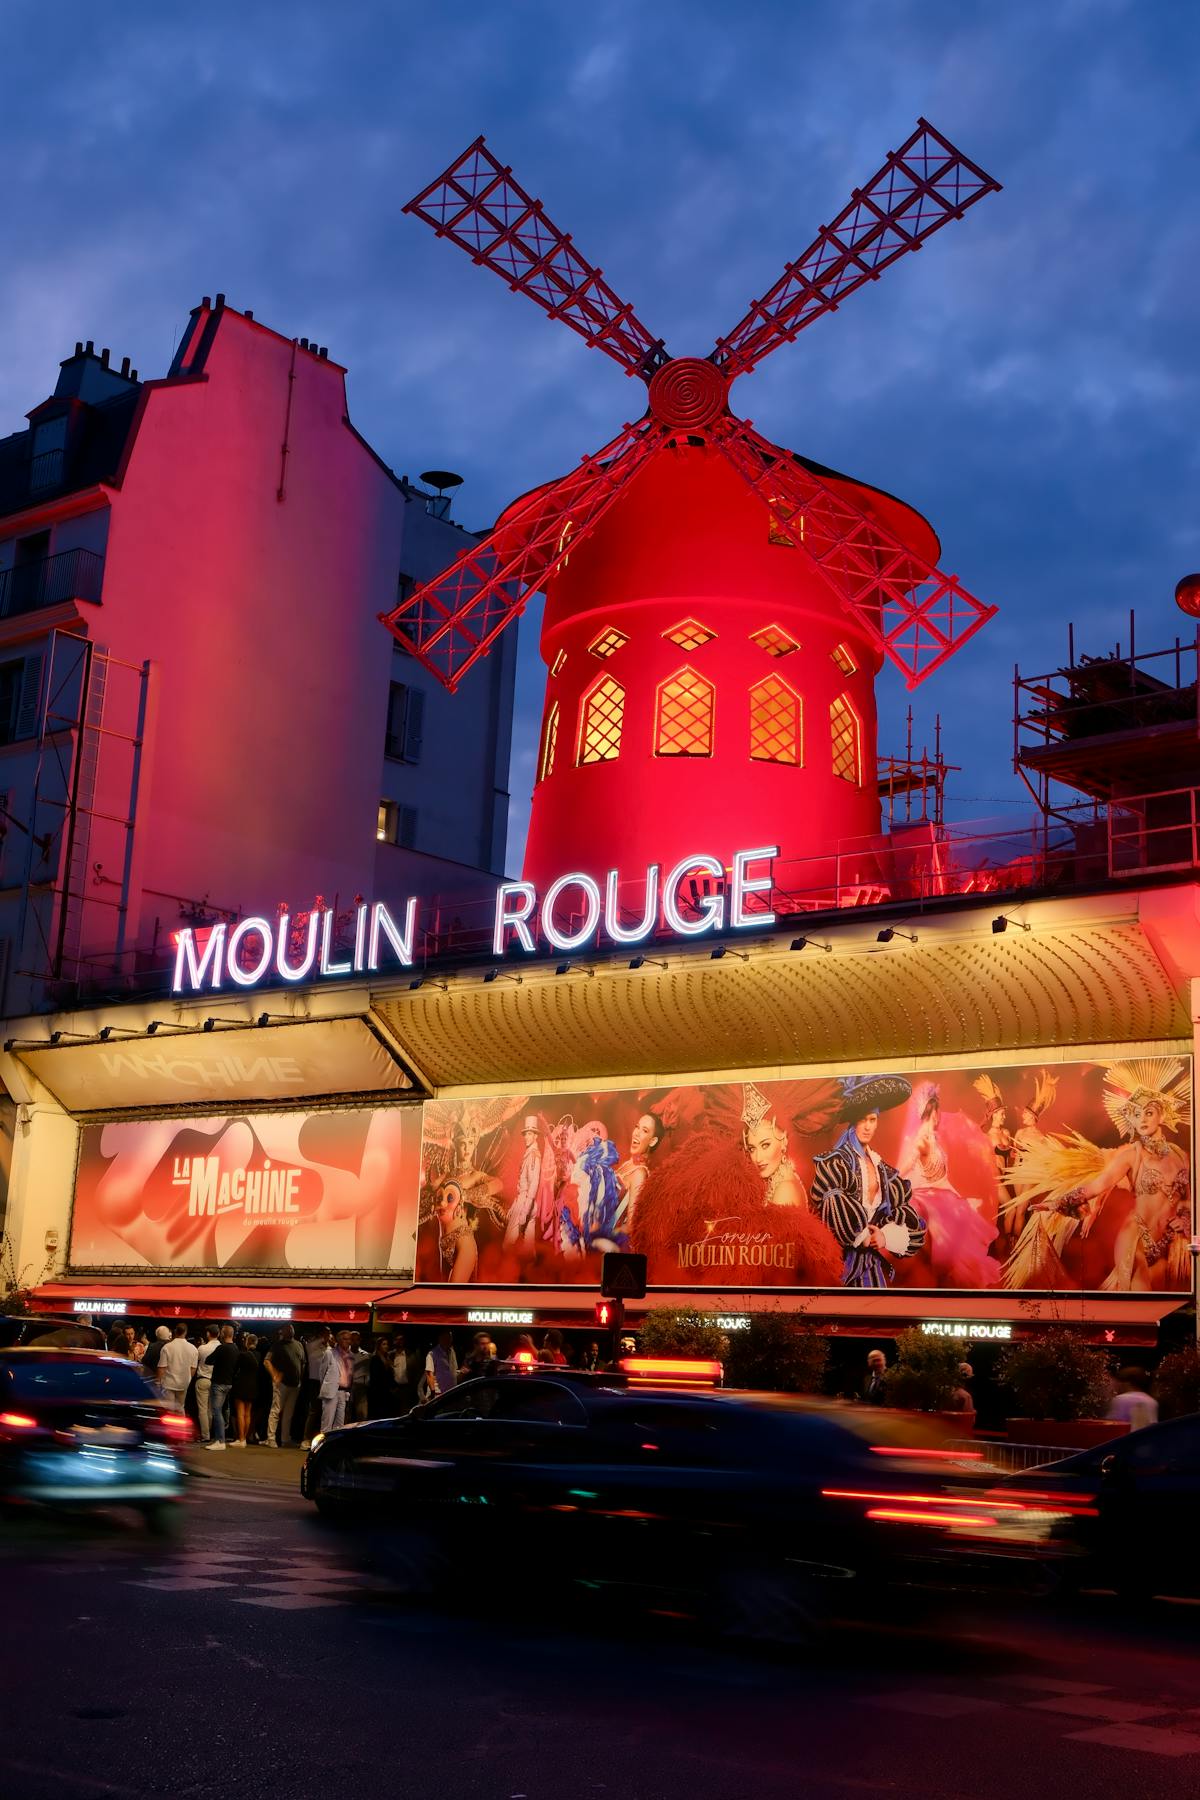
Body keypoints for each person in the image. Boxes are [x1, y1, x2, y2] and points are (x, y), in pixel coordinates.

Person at [1005, 1058, 1191, 1292]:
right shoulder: (1130, 1155)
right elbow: (1096, 1186)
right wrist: (1056, 1203)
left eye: (1149, 1112)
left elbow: (1187, 1198)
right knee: (1140, 1291)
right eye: (1136, 1114)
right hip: (1135, 1239)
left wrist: (1185, 1217)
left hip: (1166, 1244)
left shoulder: (1181, 1156)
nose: (1142, 1119)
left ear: (1162, 1116)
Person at [810, 1075, 926, 1288]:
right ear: (853, 1122)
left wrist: (884, 1237)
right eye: (862, 1120)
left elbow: (908, 1218)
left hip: (872, 1269)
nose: (867, 1127)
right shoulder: (836, 1163)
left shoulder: (884, 1171)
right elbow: (830, 1209)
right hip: (838, 1267)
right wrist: (862, 1236)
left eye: (872, 1119)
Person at [899, 1086, 1002, 1289]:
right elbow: (903, 1170)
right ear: (934, 1113)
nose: (940, 1117)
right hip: (929, 1199)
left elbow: (941, 1176)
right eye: (938, 1112)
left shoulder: (934, 1139)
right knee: (949, 1247)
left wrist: (959, 1198)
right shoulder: (921, 1140)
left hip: (942, 1194)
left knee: (964, 1229)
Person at [265, 1324, 305, 1447]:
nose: (290, 1331)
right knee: (276, 1411)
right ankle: (271, 1438)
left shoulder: (299, 1344)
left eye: (291, 1329)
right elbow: (267, 1361)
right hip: (282, 1383)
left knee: (288, 1413)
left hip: (295, 1384)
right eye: (288, 1329)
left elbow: (303, 1363)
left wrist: (300, 1378)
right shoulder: (277, 1345)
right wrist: (274, 1376)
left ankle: (285, 1439)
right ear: (282, 1332)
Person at [206, 1325, 238, 1450]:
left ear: (223, 1334)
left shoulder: (221, 1348)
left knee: (216, 1411)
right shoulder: (236, 1348)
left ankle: (220, 1440)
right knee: (225, 1410)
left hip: (218, 1382)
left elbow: (208, 1360)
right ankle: (222, 1435)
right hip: (229, 1383)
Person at [300, 1328, 332, 1448]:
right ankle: (306, 1439)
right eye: (326, 1334)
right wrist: (324, 1337)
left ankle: (322, 1439)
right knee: (313, 1411)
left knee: (325, 1411)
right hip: (314, 1381)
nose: (328, 1336)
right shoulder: (312, 1346)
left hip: (326, 1382)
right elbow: (312, 1344)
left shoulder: (328, 1349)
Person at [318, 1330, 354, 1435]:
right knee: (327, 1422)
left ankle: (335, 1446)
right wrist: (325, 1387)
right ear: (338, 1340)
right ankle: (322, 1446)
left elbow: (349, 1375)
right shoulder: (330, 1353)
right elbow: (322, 1373)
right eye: (345, 1339)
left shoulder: (351, 1356)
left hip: (343, 1392)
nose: (348, 1341)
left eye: (349, 1339)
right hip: (331, 1391)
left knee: (340, 1424)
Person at [158, 1322, 198, 1415]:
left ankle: (169, 1428)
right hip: (183, 1384)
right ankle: (181, 1428)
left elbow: (162, 1368)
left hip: (168, 1383)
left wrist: (158, 1382)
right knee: (180, 1408)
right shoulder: (193, 1349)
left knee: (169, 1410)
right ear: (186, 1332)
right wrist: (188, 1379)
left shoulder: (167, 1347)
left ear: (175, 1332)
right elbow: (193, 1368)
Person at [231, 1332, 261, 1446]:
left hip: (241, 1385)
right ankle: (245, 1438)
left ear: (247, 1342)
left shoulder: (242, 1355)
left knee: (240, 1413)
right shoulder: (259, 1355)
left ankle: (241, 1438)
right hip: (253, 1386)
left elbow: (235, 1369)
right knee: (248, 1413)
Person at [1108, 1367, 1159, 1432]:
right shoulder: (1152, 1401)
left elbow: (1113, 1424)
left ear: (1127, 1383)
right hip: (1147, 1440)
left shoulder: (1120, 1399)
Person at [194, 1326, 219, 1443]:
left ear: (208, 1334)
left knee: (202, 1409)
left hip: (203, 1379)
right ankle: (210, 1432)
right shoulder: (221, 1347)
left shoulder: (202, 1348)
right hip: (215, 1380)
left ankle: (205, 1435)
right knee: (211, 1409)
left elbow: (195, 1361)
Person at [368, 1336, 399, 1418]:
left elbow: (389, 1376)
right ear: (378, 1346)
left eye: (387, 1344)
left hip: (387, 1393)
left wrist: (394, 1386)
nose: (386, 1346)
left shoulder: (387, 1358)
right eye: (383, 1344)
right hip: (378, 1393)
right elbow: (375, 1377)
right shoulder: (375, 1359)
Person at [423, 1329, 458, 1398]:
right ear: (440, 1339)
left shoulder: (452, 1352)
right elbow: (429, 1374)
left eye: (450, 1338)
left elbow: (454, 1371)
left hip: (450, 1392)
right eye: (446, 1338)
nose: (448, 1340)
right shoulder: (432, 1354)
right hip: (437, 1394)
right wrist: (433, 1394)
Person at [142, 1324, 171, 1395]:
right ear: (168, 1335)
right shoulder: (172, 1347)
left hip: (152, 1379)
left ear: (157, 1335)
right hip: (170, 1381)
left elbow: (145, 1361)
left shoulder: (151, 1346)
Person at [349, 1331, 371, 1423]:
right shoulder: (344, 1354)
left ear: (360, 1340)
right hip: (347, 1387)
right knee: (346, 1413)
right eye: (352, 1340)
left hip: (361, 1387)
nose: (354, 1342)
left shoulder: (366, 1356)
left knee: (362, 1414)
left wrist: (366, 1383)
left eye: (356, 1340)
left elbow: (368, 1371)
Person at [392, 1333, 415, 1414]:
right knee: (394, 1412)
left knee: (405, 1411)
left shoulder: (410, 1354)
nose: (399, 1342)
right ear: (394, 1341)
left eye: (401, 1339)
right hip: (394, 1388)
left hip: (407, 1388)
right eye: (397, 1340)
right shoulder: (390, 1355)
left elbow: (414, 1371)